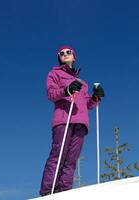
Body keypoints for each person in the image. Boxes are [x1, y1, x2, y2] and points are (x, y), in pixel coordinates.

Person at [40, 45, 105, 196]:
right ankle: (47, 192)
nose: (64, 54)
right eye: (61, 53)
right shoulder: (54, 74)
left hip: (81, 122)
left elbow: (87, 104)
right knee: (59, 155)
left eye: (68, 52)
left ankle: (64, 193)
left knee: (71, 160)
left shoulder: (82, 83)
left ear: (74, 56)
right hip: (64, 119)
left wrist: (95, 97)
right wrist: (66, 90)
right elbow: (51, 94)